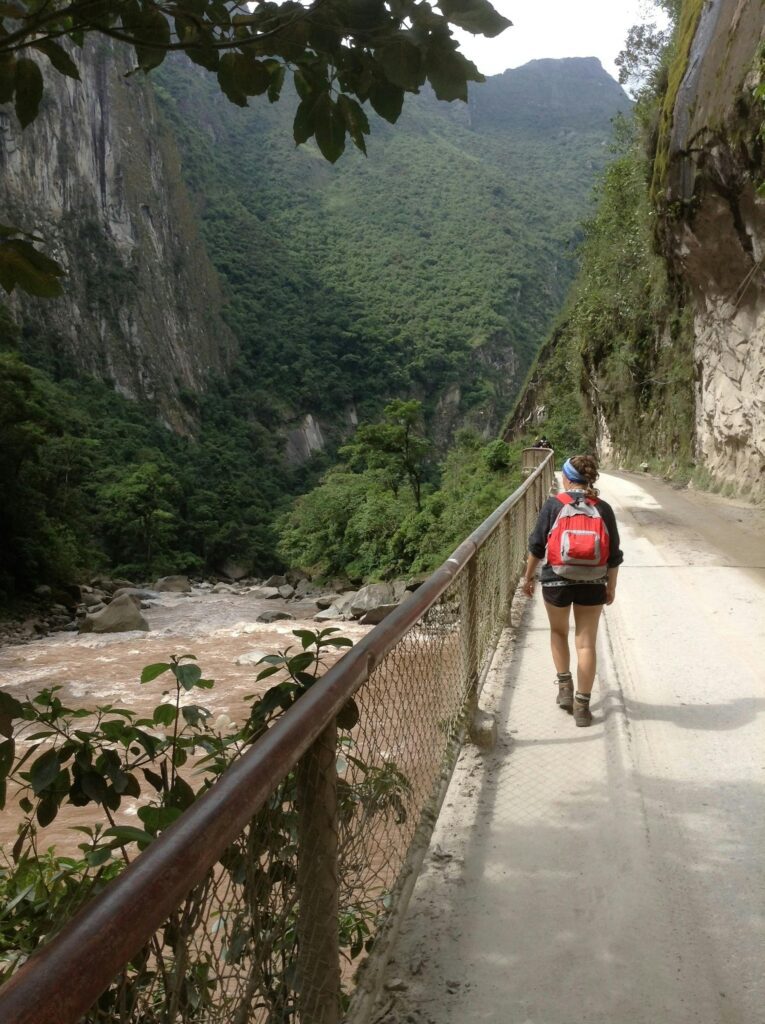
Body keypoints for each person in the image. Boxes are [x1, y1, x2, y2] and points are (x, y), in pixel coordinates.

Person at [520, 454, 623, 727]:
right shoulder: (603, 508)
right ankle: (582, 706)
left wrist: (528, 577)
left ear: (566, 478)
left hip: (556, 579)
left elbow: (537, 546)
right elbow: (614, 555)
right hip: (593, 582)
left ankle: (564, 687)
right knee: (586, 643)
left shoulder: (554, 505)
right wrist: (610, 585)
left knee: (558, 631)